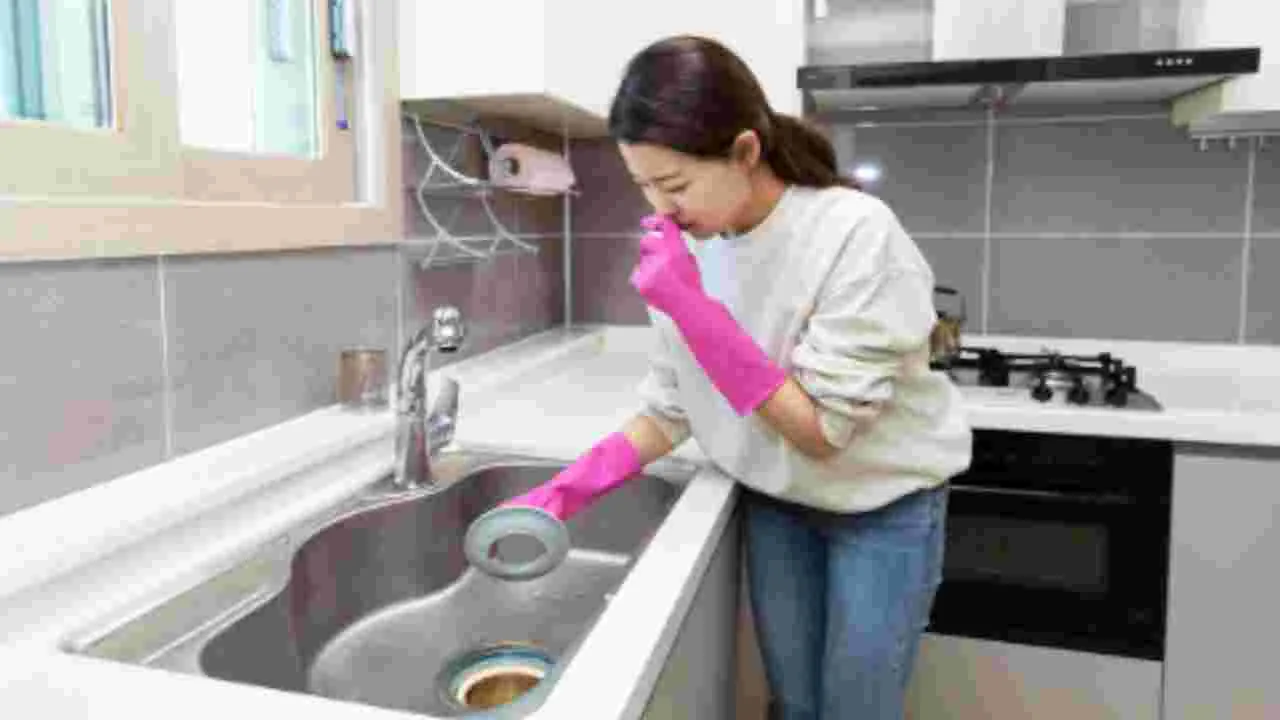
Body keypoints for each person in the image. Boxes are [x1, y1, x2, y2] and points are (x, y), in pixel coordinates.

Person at [501, 35, 972, 719]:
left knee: (855, 711)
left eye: (675, 185)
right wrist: (567, 491)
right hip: (779, 502)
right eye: (643, 186)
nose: (660, 209)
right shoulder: (689, 248)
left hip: (882, 507)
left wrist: (694, 310)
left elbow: (822, 431)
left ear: (745, 151)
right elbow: (672, 409)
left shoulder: (854, 233)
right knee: (795, 704)